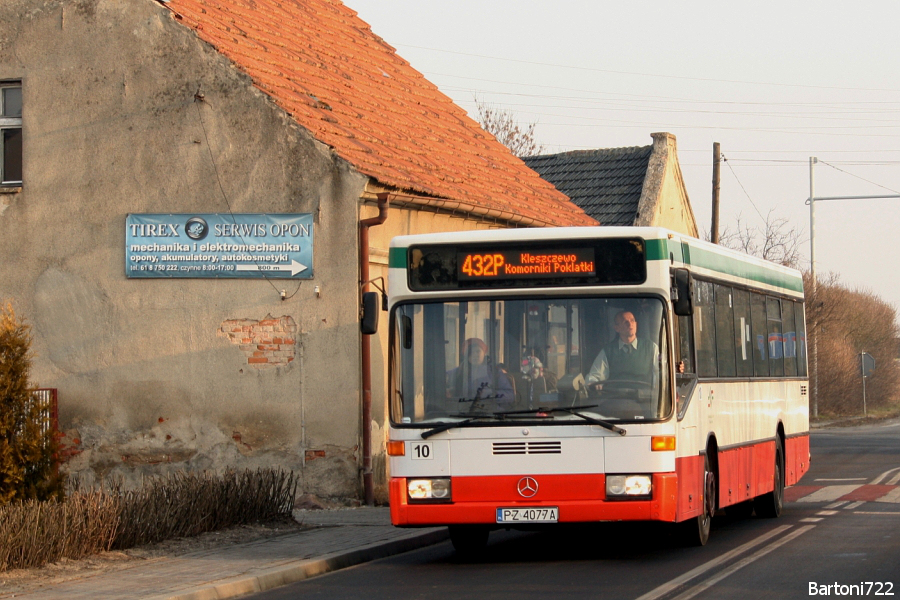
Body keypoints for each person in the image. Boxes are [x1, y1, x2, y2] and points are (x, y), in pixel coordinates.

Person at [586, 310, 659, 390]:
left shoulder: (651, 348)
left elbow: (660, 375)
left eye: (632, 320)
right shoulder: (608, 351)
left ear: (636, 324)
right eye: (625, 322)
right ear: (617, 328)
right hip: (615, 399)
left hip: (644, 399)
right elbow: (593, 376)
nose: (630, 324)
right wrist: (593, 384)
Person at [447, 338, 515, 407]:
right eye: (471, 352)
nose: (475, 355)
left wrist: (491, 394)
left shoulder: (495, 372)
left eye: (478, 351)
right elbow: (441, 381)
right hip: (463, 411)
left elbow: (510, 395)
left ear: (484, 352)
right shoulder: (457, 372)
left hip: (492, 413)